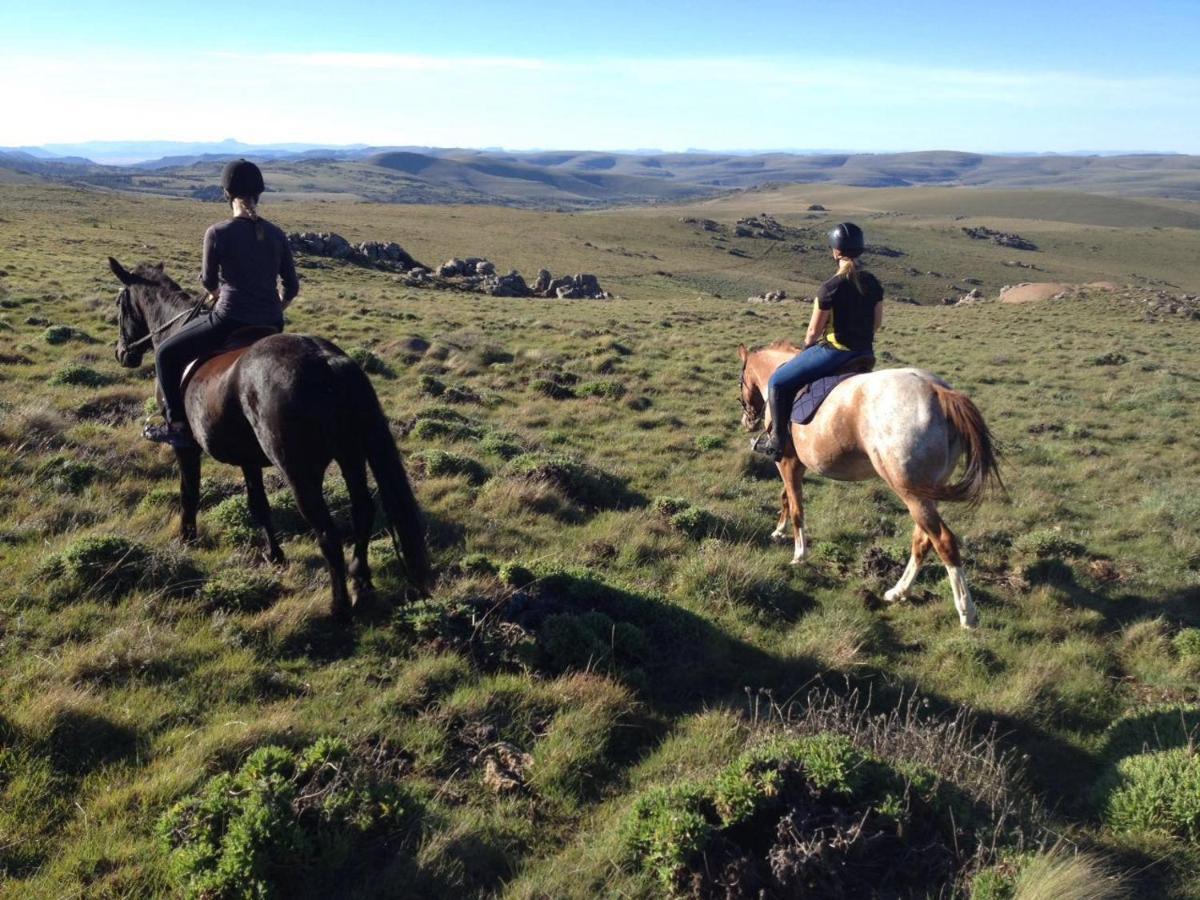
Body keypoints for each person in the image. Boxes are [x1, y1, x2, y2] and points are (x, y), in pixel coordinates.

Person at [144, 159, 300, 447]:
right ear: (259, 194)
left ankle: (177, 426)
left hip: (228, 321)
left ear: (226, 194)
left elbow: (208, 282)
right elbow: (291, 287)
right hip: (272, 323)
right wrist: (276, 309)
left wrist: (216, 293)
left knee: (165, 354)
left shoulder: (217, 232)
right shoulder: (277, 234)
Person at [750, 222, 883, 460]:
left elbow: (813, 333)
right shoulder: (873, 282)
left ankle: (777, 443)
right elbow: (877, 323)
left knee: (779, 381)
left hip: (835, 352)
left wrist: (807, 349)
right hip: (864, 352)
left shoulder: (830, 288)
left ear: (835, 251)